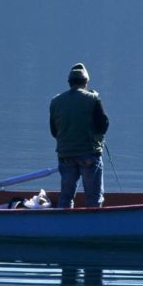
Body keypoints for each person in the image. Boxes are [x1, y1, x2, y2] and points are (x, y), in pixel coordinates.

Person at [49, 63, 109, 208]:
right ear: (86, 82)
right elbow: (103, 126)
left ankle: (64, 225)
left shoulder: (56, 101)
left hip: (66, 155)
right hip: (89, 154)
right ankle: (93, 226)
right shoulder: (93, 99)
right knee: (94, 197)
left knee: (66, 196)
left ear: (69, 83)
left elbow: (54, 131)